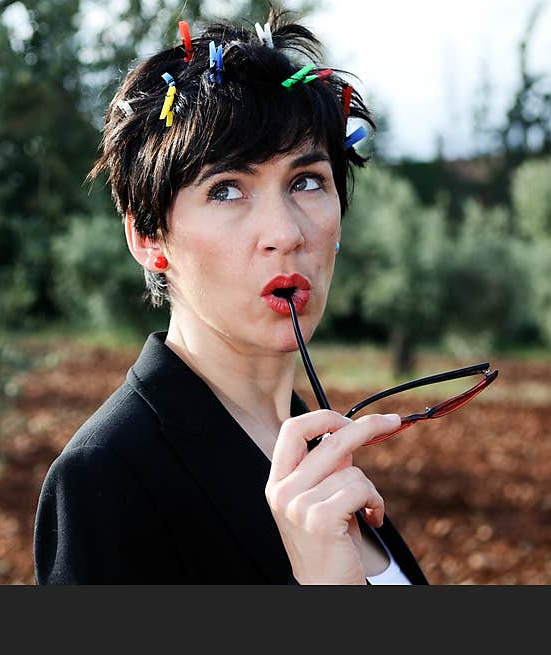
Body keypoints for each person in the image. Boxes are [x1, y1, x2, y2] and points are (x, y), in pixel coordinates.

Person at [33, 8, 428, 585]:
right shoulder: (107, 477)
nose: (286, 233)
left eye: (306, 181)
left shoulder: (313, 442)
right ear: (148, 237)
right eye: (226, 191)